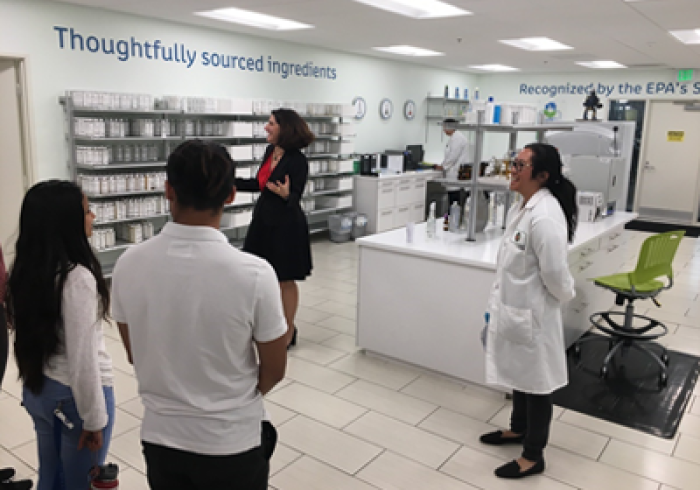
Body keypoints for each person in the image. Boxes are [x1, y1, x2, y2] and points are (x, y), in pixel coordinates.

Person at [112, 140, 288, 490]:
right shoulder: (254, 273)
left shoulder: (129, 263)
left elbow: (135, 354)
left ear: (168, 190)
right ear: (231, 195)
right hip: (231, 441)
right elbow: (274, 369)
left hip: (162, 438)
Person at [6, 181, 114, 490]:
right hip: (74, 398)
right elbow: (83, 360)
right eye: (87, 211)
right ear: (67, 223)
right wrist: (94, 420)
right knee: (80, 481)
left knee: (50, 474)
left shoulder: (29, 269)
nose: (93, 217)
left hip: (41, 389)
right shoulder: (77, 277)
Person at [479, 143, 577, 479]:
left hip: (534, 314)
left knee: (536, 385)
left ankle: (533, 455)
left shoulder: (546, 216)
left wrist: (561, 298)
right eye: (513, 163)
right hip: (514, 310)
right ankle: (517, 429)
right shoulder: (522, 208)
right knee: (519, 376)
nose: (512, 169)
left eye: (520, 164)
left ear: (542, 175)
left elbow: (556, 275)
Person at [235, 108, 314, 348]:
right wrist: (227, 181)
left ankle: (288, 330)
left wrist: (287, 194)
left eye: (270, 123)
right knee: (257, 276)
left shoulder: (298, 160)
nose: (266, 127)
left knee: (284, 280)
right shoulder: (271, 152)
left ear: (284, 128)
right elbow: (260, 184)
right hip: (263, 222)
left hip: (286, 226)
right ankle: (265, 324)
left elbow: (296, 196)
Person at [436, 118, 471, 207]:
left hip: (456, 175)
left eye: (444, 127)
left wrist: (443, 166)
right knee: (453, 203)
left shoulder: (457, 138)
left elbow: (452, 156)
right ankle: (451, 218)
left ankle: (452, 219)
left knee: (454, 203)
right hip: (454, 174)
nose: (443, 130)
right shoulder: (455, 137)